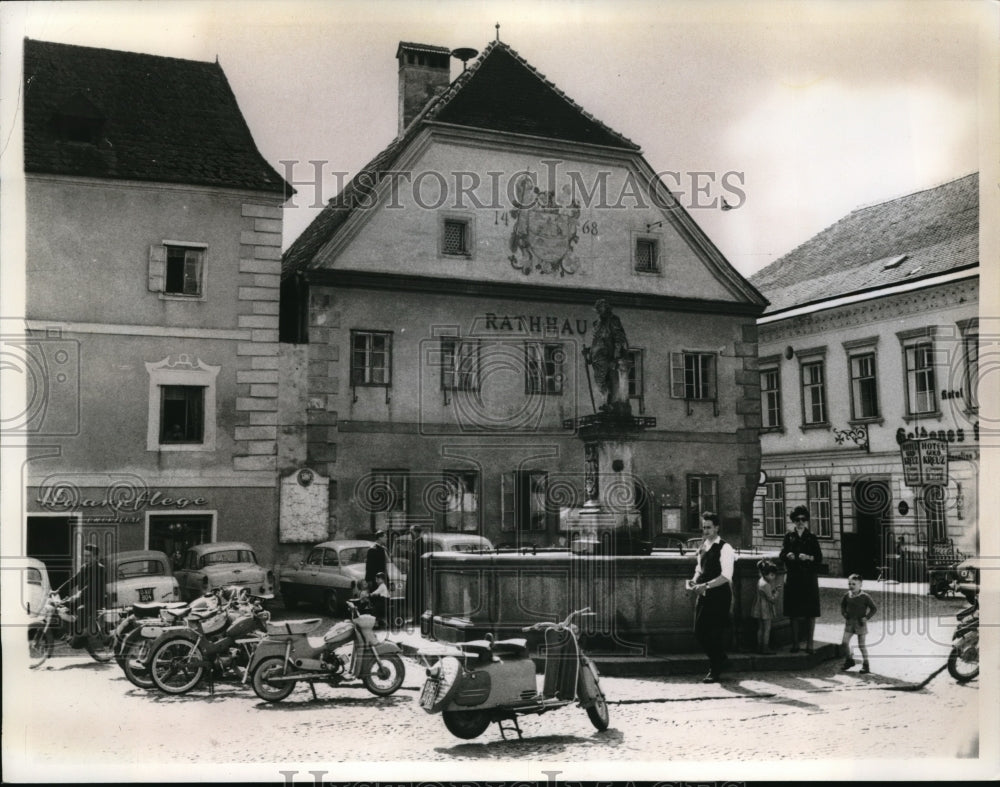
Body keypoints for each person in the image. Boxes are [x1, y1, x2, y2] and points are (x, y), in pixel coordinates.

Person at [688, 511, 735, 682]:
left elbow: (726, 576)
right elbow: (699, 569)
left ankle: (715, 669)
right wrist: (693, 581)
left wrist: (706, 585)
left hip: (720, 595)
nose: (706, 531)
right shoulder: (702, 547)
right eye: (704, 527)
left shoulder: (725, 548)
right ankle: (721, 660)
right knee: (699, 631)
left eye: (709, 527)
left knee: (714, 632)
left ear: (717, 528)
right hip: (704, 593)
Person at [780, 505, 823, 653]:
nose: (800, 522)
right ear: (793, 521)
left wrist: (809, 557)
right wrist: (787, 555)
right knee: (794, 612)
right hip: (793, 577)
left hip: (808, 578)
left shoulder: (811, 537)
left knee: (811, 612)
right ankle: (796, 643)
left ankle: (810, 644)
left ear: (807, 521)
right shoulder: (788, 536)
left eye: (803, 519)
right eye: (797, 520)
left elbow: (819, 558)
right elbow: (781, 554)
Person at [582, 299, 631, 414]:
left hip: (609, 356)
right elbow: (597, 342)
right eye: (598, 309)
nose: (599, 311)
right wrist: (588, 352)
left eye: (602, 308)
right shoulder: (597, 323)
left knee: (610, 381)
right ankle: (606, 404)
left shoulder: (614, 320)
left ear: (607, 309)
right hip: (597, 358)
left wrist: (616, 356)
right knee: (600, 382)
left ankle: (612, 405)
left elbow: (619, 338)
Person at [63, 544, 107, 640]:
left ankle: (83, 634)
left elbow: (91, 587)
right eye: (85, 555)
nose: (86, 558)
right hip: (84, 598)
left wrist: (76, 596)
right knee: (63, 608)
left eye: (89, 556)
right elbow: (74, 580)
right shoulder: (84, 567)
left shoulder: (100, 569)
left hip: (96, 601)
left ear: (96, 556)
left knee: (80, 609)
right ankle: (71, 632)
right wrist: (58, 590)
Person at [840, 573, 877, 673]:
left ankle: (866, 664)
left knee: (861, 645)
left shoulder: (865, 597)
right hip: (850, 623)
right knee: (844, 643)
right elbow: (843, 605)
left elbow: (874, 608)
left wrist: (867, 617)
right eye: (849, 584)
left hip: (860, 624)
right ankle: (849, 660)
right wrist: (844, 613)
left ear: (860, 585)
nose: (851, 586)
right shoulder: (847, 595)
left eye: (854, 584)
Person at [751, 559, 780, 654]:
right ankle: (765, 648)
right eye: (772, 575)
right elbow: (771, 599)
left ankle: (759, 646)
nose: (774, 577)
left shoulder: (760, 581)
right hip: (765, 608)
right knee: (767, 628)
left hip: (758, 607)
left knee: (760, 628)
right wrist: (776, 592)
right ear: (765, 573)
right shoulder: (766, 584)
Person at [404, 526, 426, 622]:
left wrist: (406, 553)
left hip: (417, 574)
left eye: (412, 532)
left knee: (416, 595)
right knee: (414, 595)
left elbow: (416, 559)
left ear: (416, 533)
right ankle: (416, 616)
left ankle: (417, 616)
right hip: (414, 573)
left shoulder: (419, 543)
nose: (410, 535)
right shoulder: (416, 543)